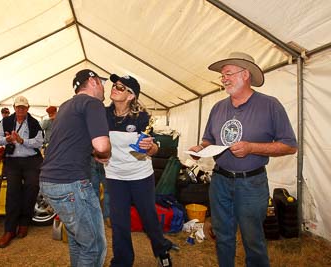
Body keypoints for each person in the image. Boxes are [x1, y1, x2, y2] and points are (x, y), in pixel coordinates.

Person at [189, 52, 298, 267]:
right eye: (222, 76)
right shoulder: (218, 107)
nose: (224, 79)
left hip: (251, 183)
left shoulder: (269, 105)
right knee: (222, 235)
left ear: (246, 74)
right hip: (220, 181)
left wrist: (252, 148)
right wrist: (200, 149)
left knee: (253, 238)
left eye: (228, 73)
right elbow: (208, 139)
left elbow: (290, 145)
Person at [39, 69, 111, 266]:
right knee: (94, 246)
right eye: (102, 82)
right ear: (93, 81)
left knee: (78, 240)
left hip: (50, 181)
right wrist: (105, 152)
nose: (104, 88)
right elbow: (102, 145)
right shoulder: (93, 103)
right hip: (71, 183)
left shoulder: (66, 106)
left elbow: (71, 141)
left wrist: (94, 153)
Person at [105, 74, 176, 267]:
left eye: (120, 87)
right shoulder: (103, 114)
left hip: (140, 176)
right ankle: (122, 261)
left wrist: (149, 147)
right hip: (115, 176)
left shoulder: (142, 117)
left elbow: (153, 148)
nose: (114, 88)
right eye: (114, 85)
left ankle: (162, 250)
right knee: (119, 223)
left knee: (149, 218)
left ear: (130, 96)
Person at [0, 95, 44, 248]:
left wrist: (23, 141)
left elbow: (39, 142)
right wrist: (7, 140)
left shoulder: (35, 122)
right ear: (14, 107)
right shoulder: (6, 121)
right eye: (18, 107)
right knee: (12, 192)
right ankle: (9, 229)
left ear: (27, 108)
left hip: (31, 160)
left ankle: (24, 222)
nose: (21, 109)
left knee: (32, 189)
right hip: (13, 160)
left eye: (23, 107)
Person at [90, 156, 110, 226]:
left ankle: (97, 217)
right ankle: (107, 217)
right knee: (107, 191)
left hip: (95, 157)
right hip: (101, 157)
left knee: (95, 191)